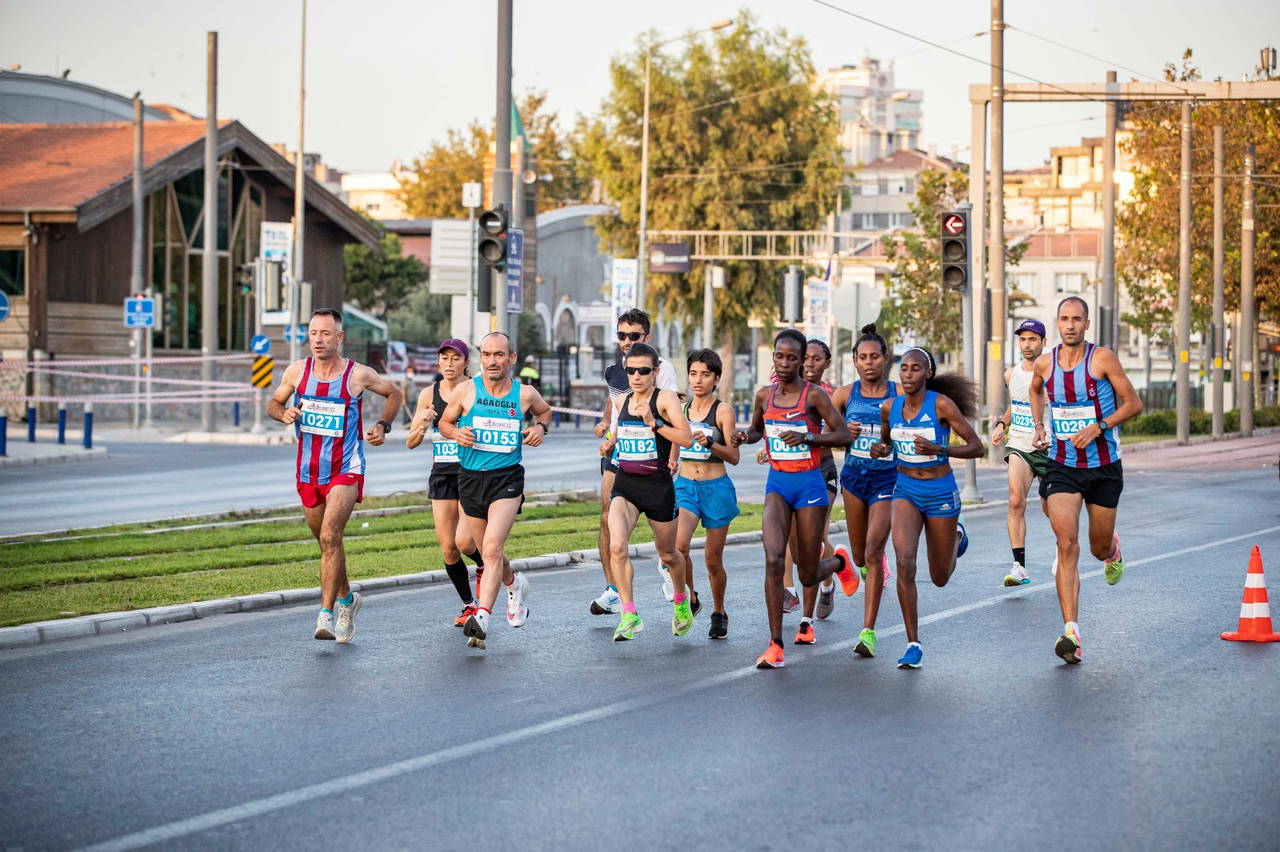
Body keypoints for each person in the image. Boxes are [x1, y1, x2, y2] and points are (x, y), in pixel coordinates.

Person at [268, 308, 404, 643]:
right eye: (314, 333)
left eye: (326, 333)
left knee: (331, 536)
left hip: (346, 467)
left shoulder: (358, 374)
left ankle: (326, 614)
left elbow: (394, 393)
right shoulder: (297, 371)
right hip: (309, 470)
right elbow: (273, 403)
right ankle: (347, 599)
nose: (318, 340)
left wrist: (382, 425)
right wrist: (283, 413)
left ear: (339, 337)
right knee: (327, 543)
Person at [730, 329, 855, 670]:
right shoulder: (763, 395)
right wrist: (743, 436)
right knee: (773, 560)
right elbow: (757, 430)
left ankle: (839, 563)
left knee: (807, 572)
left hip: (810, 485)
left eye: (791, 358)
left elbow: (843, 434)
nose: (784, 363)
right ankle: (775, 644)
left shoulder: (814, 396)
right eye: (779, 356)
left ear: (800, 361)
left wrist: (808, 437)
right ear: (773, 357)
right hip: (778, 485)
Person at [1029, 296, 1142, 664]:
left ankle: (1113, 550)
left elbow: (1133, 403)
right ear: (1057, 323)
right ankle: (1071, 632)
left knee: (1097, 548)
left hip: (1104, 465)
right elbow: (1035, 390)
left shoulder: (1102, 359)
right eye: (1064, 318)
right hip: (1063, 465)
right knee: (1066, 544)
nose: (1070, 325)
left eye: (1077, 319)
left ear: (1086, 323)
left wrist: (1099, 426)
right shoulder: (1045, 363)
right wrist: (1039, 425)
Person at [438, 332, 554, 651]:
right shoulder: (466, 390)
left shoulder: (524, 394)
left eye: (499, 355)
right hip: (471, 478)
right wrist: (455, 433)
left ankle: (483, 617)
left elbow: (545, 412)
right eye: (487, 354)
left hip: (507, 479)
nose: (492, 361)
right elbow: (444, 423)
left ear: (511, 358)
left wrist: (540, 427)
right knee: (479, 547)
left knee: (491, 548)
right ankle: (514, 585)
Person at [869, 346, 983, 669]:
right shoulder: (889, 407)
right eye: (903, 368)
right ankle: (913, 643)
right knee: (905, 563)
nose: (907, 374)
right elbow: (887, 441)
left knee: (940, 577)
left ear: (928, 373)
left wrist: (939, 449)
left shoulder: (941, 405)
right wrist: (882, 448)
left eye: (915, 368)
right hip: (905, 490)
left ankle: (956, 537)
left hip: (940, 491)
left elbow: (977, 446)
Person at [599, 342, 693, 640]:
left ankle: (681, 600)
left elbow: (686, 438)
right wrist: (610, 443)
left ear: (655, 371)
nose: (636, 376)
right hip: (626, 485)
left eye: (643, 370)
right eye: (631, 371)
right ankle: (629, 614)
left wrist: (655, 424)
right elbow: (620, 432)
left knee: (669, 554)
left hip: (658, 488)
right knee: (617, 547)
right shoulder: (622, 400)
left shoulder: (665, 399)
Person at [591, 308, 680, 617]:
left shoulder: (661, 368)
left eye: (634, 335)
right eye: (622, 335)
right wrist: (607, 426)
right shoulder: (613, 370)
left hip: (654, 454)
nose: (627, 341)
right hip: (620, 450)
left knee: (661, 532)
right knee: (607, 515)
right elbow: (615, 401)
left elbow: (673, 411)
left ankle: (667, 564)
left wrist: (673, 456)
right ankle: (614, 589)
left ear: (647, 337)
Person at [829, 324, 898, 658]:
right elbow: (824, 432)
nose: (869, 363)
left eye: (875, 357)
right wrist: (844, 430)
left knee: (873, 550)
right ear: (854, 360)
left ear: (885, 358)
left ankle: (867, 632)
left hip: (888, 479)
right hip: (854, 479)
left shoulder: (899, 393)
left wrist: (890, 441)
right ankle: (855, 565)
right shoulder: (845, 395)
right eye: (863, 358)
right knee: (860, 557)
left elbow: (917, 427)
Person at [407, 338, 487, 626]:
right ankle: (469, 605)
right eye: (444, 358)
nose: (449, 363)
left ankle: (485, 563)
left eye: (455, 358)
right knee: (448, 548)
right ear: (438, 362)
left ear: (466, 362)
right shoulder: (428, 394)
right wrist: (422, 423)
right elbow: (411, 442)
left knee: (465, 542)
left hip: (471, 471)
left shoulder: (477, 390)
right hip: (442, 474)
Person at [672, 349, 741, 639]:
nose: (698, 380)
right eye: (693, 374)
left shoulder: (722, 411)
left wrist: (710, 443)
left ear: (716, 378)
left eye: (705, 374)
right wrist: (671, 461)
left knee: (713, 560)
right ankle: (691, 597)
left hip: (716, 489)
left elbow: (734, 456)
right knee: (679, 547)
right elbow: (675, 440)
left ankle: (719, 611)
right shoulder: (681, 409)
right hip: (685, 486)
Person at [784, 338, 844, 645]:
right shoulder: (786, 392)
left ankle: (813, 601)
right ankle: (826, 576)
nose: (809, 363)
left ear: (826, 363)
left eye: (816, 359)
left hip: (822, 472)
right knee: (793, 542)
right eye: (805, 357)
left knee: (815, 537)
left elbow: (841, 434)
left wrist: (809, 437)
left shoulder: (830, 396)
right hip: (791, 472)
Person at [990, 319, 1050, 587]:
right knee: (1015, 501)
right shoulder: (1010, 374)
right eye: (1023, 339)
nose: (1027, 344)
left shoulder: (1053, 372)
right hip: (1020, 443)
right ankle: (1019, 567)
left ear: (1043, 342)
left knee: (1053, 509)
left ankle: (1063, 551)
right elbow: (1015, 405)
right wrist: (1001, 425)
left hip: (1050, 447)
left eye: (1032, 339)